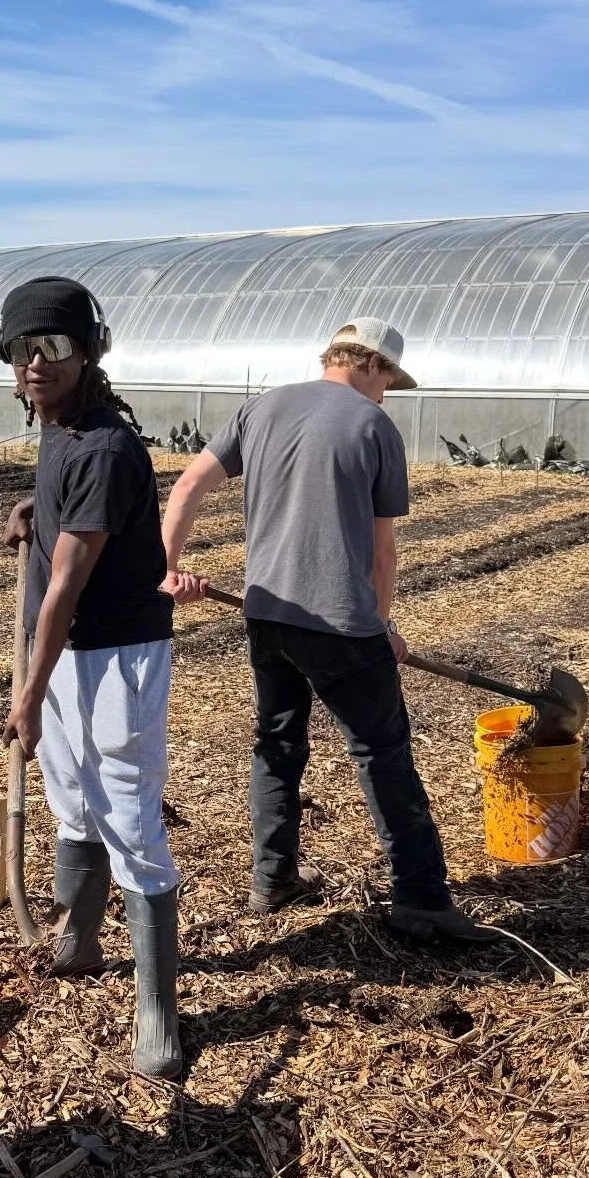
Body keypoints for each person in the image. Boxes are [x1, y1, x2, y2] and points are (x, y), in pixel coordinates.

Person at [161, 319, 494, 944]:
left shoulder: (257, 409)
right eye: (389, 378)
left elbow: (186, 487)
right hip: (340, 625)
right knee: (383, 754)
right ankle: (422, 899)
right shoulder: (374, 427)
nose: (388, 392)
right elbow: (382, 551)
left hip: (267, 614)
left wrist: (169, 568)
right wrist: (382, 625)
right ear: (372, 364)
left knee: (277, 743)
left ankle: (274, 876)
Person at [0, 277, 182, 1079]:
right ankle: (80, 935)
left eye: (55, 347)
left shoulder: (107, 447)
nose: (37, 364)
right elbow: (65, 519)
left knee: (131, 820)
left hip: (114, 656)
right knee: (72, 798)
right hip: (64, 651)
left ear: (90, 352)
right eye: (21, 349)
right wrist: (30, 515)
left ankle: (158, 1008)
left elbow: (69, 587)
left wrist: (26, 697)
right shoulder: (61, 430)